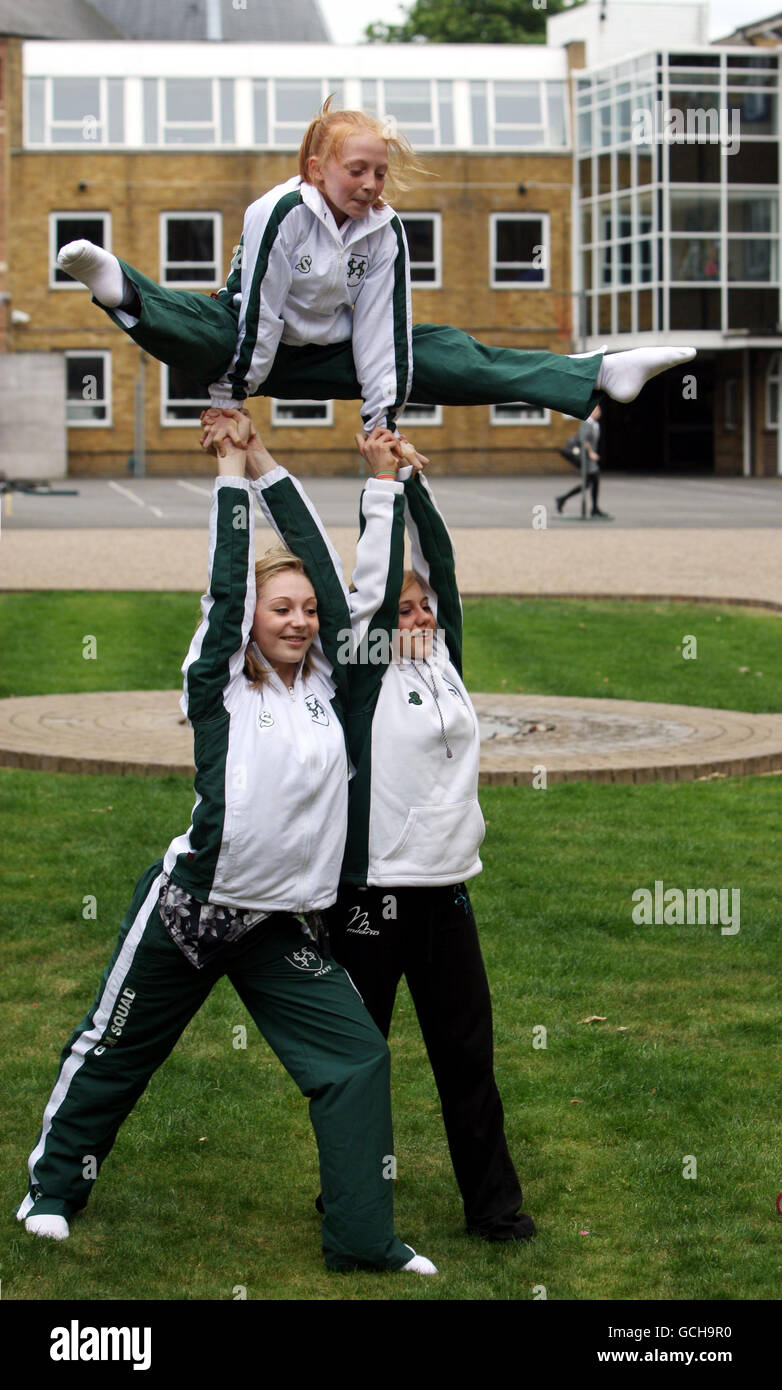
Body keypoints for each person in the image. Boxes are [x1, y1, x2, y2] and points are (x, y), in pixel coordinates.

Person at [16, 415, 436, 1276]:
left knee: (356, 1059)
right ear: (252, 620)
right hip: (189, 910)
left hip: (277, 924)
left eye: (308, 612)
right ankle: (52, 1190)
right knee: (115, 1048)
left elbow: (336, 569)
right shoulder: (217, 688)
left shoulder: (336, 683)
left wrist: (276, 463)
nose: (299, 620)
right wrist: (231, 481)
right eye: (281, 609)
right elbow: (222, 587)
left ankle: (363, 1240)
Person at [242, 414, 536, 1242]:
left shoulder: (445, 660)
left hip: (447, 900)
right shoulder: (360, 676)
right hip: (368, 904)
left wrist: (412, 479)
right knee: (355, 1065)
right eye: (399, 609)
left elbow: (438, 561)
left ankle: (496, 1212)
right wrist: (374, 489)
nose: (412, 617)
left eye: (420, 609)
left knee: (467, 1065)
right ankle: (347, 1196)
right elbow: (359, 588)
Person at [55, 99, 695, 445]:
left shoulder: (385, 228)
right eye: (355, 171)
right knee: (200, 337)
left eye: (379, 172)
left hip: (334, 352)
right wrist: (228, 400)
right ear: (316, 171)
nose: (369, 184)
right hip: (251, 339)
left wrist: (380, 420)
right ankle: (120, 285)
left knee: (449, 356)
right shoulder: (277, 213)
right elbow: (260, 313)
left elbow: (379, 327)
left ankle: (601, 369)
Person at [555, 404, 608, 518]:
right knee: (591, 482)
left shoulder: (595, 425)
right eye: (596, 410)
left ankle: (564, 499)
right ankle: (564, 499)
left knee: (590, 483)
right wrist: (591, 453)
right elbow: (582, 440)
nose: (599, 412)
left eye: (599, 409)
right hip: (585, 458)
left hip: (589, 459)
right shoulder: (587, 424)